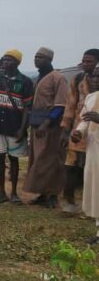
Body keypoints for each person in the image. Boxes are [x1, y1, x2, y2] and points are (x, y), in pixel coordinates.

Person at [24, 47, 68, 209]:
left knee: (52, 160)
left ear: (49, 59)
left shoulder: (58, 78)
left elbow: (60, 105)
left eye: (41, 57)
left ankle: (53, 195)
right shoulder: (39, 77)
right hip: (37, 125)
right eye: (36, 56)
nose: (37, 59)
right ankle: (43, 193)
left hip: (51, 127)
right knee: (38, 160)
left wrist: (46, 123)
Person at [0, 49, 33, 204]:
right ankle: (1, 192)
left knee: (14, 160)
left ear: (17, 62)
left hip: (15, 128)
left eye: (10, 60)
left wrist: (22, 129)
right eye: (4, 59)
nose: (6, 62)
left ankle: (14, 192)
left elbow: (27, 108)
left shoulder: (25, 82)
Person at [60, 49, 99, 215]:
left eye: (89, 61)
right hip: (79, 130)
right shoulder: (78, 80)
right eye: (84, 61)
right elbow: (70, 104)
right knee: (71, 167)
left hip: (96, 133)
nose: (85, 64)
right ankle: (69, 202)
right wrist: (65, 129)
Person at [70, 64, 99, 244]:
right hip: (94, 150)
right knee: (95, 189)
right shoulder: (91, 97)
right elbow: (84, 121)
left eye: (98, 76)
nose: (95, 80)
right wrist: (78, 132)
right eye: (94, 76)